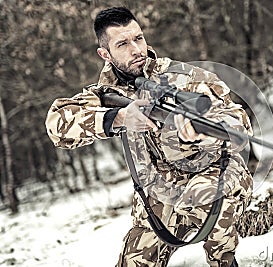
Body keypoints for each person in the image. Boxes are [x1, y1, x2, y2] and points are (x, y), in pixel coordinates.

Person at [46, 6, 253, 267]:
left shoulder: (185, 78)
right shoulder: (104, 94)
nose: (136, 50)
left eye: (138, 38)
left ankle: (225, 262)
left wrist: (202, 137)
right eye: (122, 44)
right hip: (157, 202)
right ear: (105, 54)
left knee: (205, 194)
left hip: (213, 178)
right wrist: (118, 118)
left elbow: (239, 124)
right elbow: (57, 126)